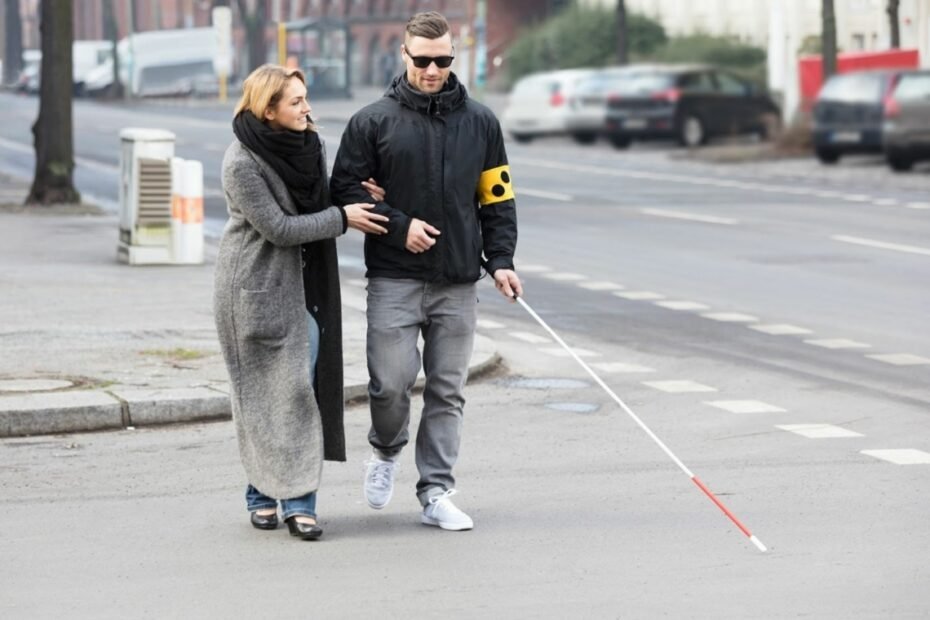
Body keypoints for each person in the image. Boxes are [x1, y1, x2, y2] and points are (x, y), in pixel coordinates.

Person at [330, 11, 522, 531]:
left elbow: (497, 199)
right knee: (390, 385)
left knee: (447, 390)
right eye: (422, 60)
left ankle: (436, 491)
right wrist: (399, 227)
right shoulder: (372, 121)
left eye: (442, 60)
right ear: (404, 55)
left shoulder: (481, 123)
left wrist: (501, 261)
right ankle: (386, 448)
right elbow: (343, 190)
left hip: (457, 280)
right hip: (394, 277)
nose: (432, 70)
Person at [214, 64, 388, 541]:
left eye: (305, 98)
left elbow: (313, 202)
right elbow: (280, 228)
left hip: (308, 286)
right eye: (296, 102)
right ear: (268, 109)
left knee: (296, 392)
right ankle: (275, 497)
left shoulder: (311, 144)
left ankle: (284, 498)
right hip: (256, 291)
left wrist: (354, 196)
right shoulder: (241, 162)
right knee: (266, 396)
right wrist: (343, 218)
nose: (307, 108)